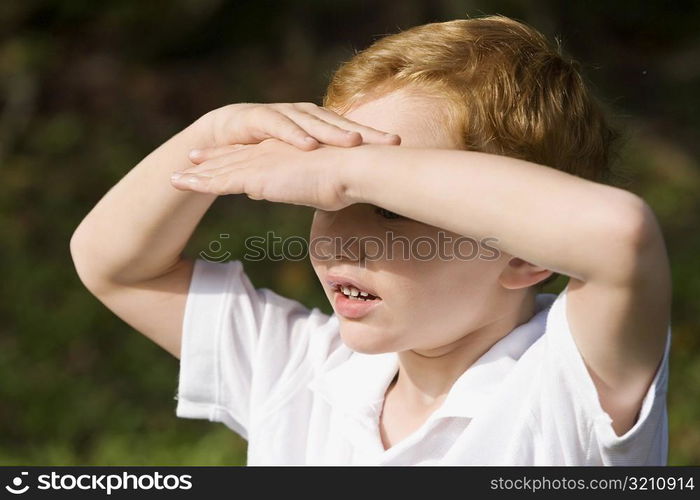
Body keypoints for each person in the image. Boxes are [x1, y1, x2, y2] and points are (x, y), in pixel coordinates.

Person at [70, 15, 672, 465]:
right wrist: (218, 129)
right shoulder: (301, 370)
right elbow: (115, 266)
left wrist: (347, 170)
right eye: (325, 202)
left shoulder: (566, 389)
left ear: (524, 253)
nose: (340, 243)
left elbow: (618, 235)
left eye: (390, 208)